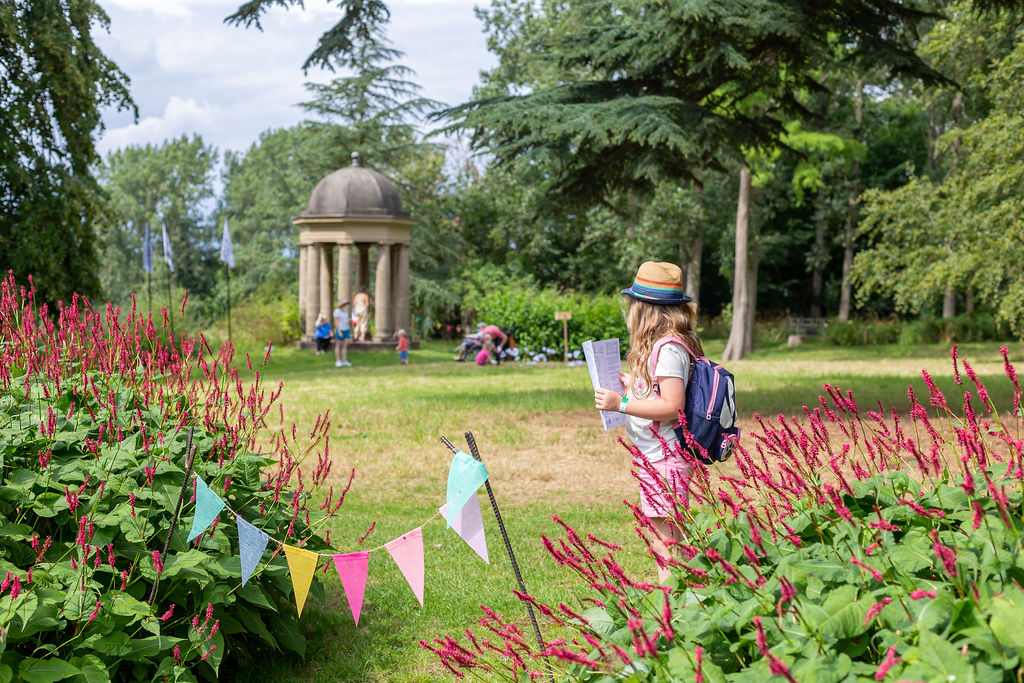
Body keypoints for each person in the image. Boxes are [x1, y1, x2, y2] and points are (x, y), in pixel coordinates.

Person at [594, 261, 702, 582]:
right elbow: (661, 391)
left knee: (664, 540)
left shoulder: (668, 348)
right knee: (669, 536)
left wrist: (622, 403)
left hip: (665, 459)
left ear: (645, 309)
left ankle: (674, 608)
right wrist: (635, 385)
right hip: (660, 457)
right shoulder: (669, 344)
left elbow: (671, 405)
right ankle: (683, 601)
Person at [333, 299, 352, 367]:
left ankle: (344, 360)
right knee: (338, 345)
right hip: (340, 330)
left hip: (346, 329)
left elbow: (345, 320)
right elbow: (336, 322)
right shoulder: (337, 311)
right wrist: (339, 331)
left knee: (345, 345)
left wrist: (349, 320)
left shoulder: (345, 312)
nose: (345, 305)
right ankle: (338, 360)